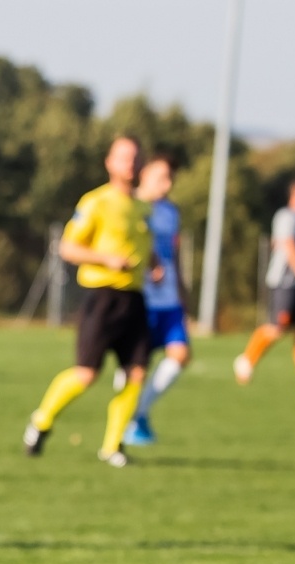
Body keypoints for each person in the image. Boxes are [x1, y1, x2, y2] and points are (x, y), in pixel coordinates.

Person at [21, 135, 156, 468]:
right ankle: (41, 421)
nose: (132, 164)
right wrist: (105, 259)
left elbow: (143, 250)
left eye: (136, 157)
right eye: (125, 157)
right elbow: (68, 248)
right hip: (103, 296)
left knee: (137, 374)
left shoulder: (143, 206)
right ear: (109, 163)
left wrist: (155, 267)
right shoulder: (96, 202)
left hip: (135, 299)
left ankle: (112, 447)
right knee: (86, 374)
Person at [123, 153, 193, 446]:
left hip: (168, 300)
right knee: (134, 366)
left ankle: (138, 412)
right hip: (137, 295)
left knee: (181, 355)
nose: (166, 184)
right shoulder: (128, 206)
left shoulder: (170, 212)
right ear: (144, 174)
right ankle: (129, 419)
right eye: (161, 177)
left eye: (170, 179)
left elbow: (173, 254)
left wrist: (182, 290)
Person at [235, 177, 295, 391]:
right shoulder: (286, 216)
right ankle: (247, 360)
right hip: (285, 281)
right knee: (277, 327)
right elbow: (286, 245)